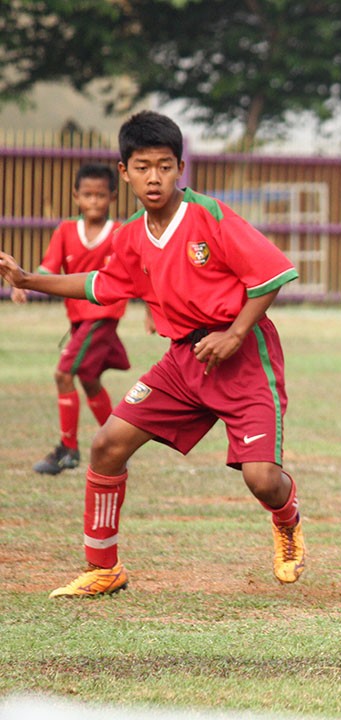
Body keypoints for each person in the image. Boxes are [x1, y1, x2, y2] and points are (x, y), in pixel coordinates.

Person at [0, 110, 306, 597]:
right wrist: (28, 280)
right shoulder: (130, 236)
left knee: (262, 479)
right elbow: (99, 284)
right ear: (125, 172)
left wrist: (233, 334)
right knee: (107, 445)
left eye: (164, 166)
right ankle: (104, 567)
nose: (154, 178)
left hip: (244, 357)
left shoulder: (210, 215)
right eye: (143, 167)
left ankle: (286, 519)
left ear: (180, 167)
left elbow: (270, 276)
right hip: (183, 360)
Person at [9, 164, 131, 475]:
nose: (94, 201)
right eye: (88, 195)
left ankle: (68, 450)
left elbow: (139, 273)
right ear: (76, 196)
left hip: (103, 316)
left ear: (112, 197)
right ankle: (118, 444)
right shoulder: (65, 230)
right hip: (79, 321)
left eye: (100, 195)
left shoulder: (121, 233)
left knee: (63, 374)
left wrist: (153, 314)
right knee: (89, 379)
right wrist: (24, 283)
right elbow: (48, 269)